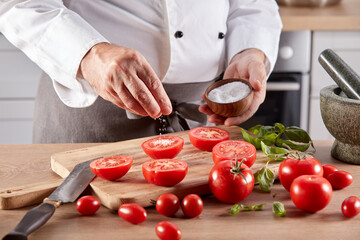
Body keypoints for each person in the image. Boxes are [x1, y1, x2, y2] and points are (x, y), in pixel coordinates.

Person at [0, 0, 282, 143]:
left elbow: (253, 4)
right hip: (90, 116)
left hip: (199, 121)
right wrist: (90, 55)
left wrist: (250, 50)